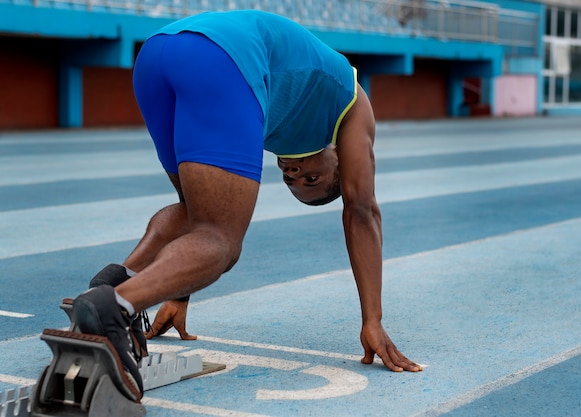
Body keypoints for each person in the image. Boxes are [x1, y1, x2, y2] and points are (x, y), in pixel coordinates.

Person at [71, 9, 422, 401]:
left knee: (194, 211)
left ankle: (119, 280)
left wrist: (178, 293)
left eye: (294, 180)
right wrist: (372, 319)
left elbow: (196, 217)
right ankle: (115, 305)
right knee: (221, 241)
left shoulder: (280, 111)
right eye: (313, 178)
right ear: (339, 158)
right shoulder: (351, 107)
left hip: (158, 53)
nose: (296, 173)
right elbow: (361, 208)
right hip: (223, 58)